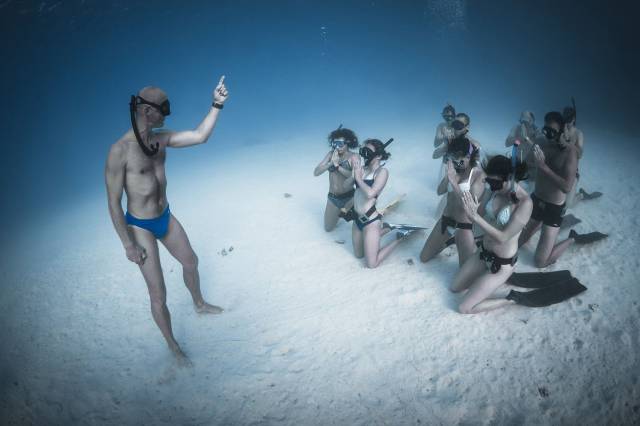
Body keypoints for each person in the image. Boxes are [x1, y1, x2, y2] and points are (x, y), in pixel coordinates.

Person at [105, 76, 229, 364]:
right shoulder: (119, 151)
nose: (168, 113)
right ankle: (173, 347)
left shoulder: (160, 138)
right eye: (165, 108)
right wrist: (128, 245)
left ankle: (199, 304)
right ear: (148, 111)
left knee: (191, 262)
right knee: (158, 293)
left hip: (165, 216)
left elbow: (199, 136)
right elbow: (113, 202)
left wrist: (217, 104)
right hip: (140, 226)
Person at [518, 112, 606, 268]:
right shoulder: (541, 142)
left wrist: (544, 167)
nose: (547, 135)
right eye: (545, 130)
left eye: (552, 132)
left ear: (562, 132)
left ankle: (572, 238)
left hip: (554, 208)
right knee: (516, 244)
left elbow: (566, 187)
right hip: (536, 200)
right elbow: (526, 164)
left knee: (540, 262)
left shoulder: (570, 152)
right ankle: (538, 225)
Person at [450, 154, 532, 313]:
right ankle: (484, 282)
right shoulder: (494, 190)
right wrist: (472, 210)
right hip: (482, 254)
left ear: (510, 178)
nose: (492, 186)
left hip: (500, 265)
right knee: (455, 288)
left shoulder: (525, 203)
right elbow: (477, 214)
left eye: (496, 183)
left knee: (464, 308)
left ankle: (510, 299)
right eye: (489, 181)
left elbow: (503, 237)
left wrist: (476, 217)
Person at [420, 136, 485, 266]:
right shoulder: (455, 169)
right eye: (453, 158)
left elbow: (470, 207)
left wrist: (454, 183)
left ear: (468, 156)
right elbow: (440, 191)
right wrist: (448, 178)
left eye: (458, 159)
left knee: (464, 268)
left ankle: (471, 242)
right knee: (424, 257)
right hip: (446, 220)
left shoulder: (479, 175)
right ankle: (449, 241)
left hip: (464, 226)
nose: (456, 162)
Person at [349, 139, 410, 268]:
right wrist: (353, 174)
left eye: (367, 151)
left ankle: (400, 238)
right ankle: (387, 228)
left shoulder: (382, 172)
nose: (364, 154)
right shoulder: (362, 169)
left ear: (378, 156)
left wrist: (358, 179)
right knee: (359, 255)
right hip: (357, 220)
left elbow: (370, 194)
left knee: (372, 264)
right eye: (363, 150)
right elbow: (345, 186)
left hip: (371, 221)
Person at [313, 126, 359, 231]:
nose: (337, 147)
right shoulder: (331, 154)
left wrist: (337, 166)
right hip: (333, 198)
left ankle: (353, 209)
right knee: (328, 229)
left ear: (348, 143)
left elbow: (355, 177)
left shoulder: (354, 157)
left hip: (350, 198)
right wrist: (330, 163)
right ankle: (340, 213)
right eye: (335, 143)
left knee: (360, 219)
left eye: (340, 144)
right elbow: (316, 172)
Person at [505, 110, 540, 192]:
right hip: (518, 163)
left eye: (527, 122)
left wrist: (526, 139)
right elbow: (507, 143)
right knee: (512, 189)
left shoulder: (537, 131)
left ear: (532, 122)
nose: (525, 125)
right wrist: (519, 138)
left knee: (529, 191)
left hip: (531, 167)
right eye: (523, 122)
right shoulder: (517, 128)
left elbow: (538, 148)